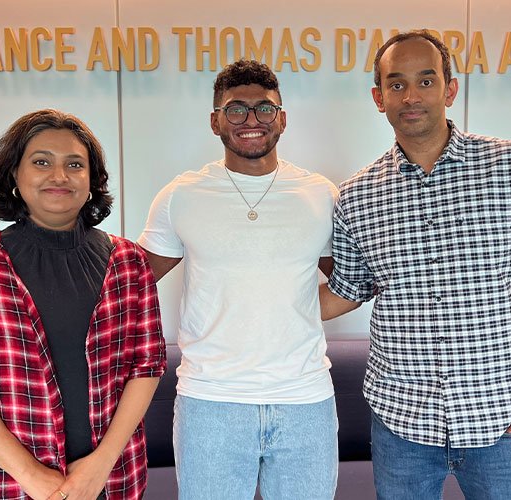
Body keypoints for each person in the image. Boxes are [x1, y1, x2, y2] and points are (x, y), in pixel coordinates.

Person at [320, 30, 511, 499]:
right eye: (396, 84)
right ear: (378, 98)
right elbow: (348, 289)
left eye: (426, 81)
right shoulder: (356, 195)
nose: (411, 96)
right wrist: (262, 298)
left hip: (504, 421)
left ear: (450, 90)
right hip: (401, 425)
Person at [0, 109, 166, 500]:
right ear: (15, 177)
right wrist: (33, 476)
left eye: (75, 164)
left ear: (91, 181)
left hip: (113, 480)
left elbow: (147, 367)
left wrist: (100, 465)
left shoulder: (129, 262)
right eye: (41, 162)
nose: (59, 176)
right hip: (11, 485)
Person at [138, 60, 339, 500]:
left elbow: (348, 282)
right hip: (210, 403)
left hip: (304, 401)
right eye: (236, 110)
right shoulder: (180, 195)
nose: (251, 121)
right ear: (215, 121)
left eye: (264, 109)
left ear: (282, 118)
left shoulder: (320, 194)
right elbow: (133, 283)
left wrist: (298, 305)